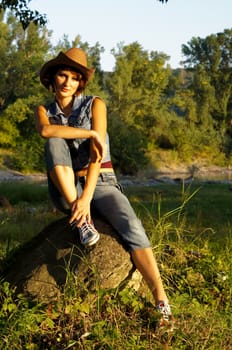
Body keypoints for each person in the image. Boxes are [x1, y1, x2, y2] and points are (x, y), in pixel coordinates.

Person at [35, 47, 173, 329]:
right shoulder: (43, 111)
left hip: (100, 182)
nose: (67, 82)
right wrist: (88, 133)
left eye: (74, 78)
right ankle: (83, 223)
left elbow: (97, 158)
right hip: (65, 187)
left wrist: (86, 198)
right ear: (53, 78)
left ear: (80, 83)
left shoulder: (95, 104)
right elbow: (47, 131)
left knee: (131, 226)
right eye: (62, 75)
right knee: (54, 142)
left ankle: (161, 300)